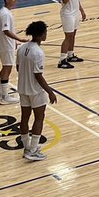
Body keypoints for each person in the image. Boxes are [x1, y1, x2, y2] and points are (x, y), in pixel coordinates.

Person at [15, 20, 57, 162]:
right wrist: (49, 91)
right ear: (40, 35)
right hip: (35, 91)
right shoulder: (38, 53)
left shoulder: (21, 48)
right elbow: (38, 75)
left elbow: (18, 68)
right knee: (39, 118)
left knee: (24, 118)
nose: (46, 34)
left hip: (22, 88)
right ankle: (32, 150)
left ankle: (27, 147)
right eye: (45, 32)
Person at [0, 0, 26, 103]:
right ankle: (5, 97)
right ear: (7, 0)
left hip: (5, 44)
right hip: (6, 45)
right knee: (8, 68)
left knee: (4, 68)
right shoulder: (5, 13)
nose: (15, 0)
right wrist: (19, 39)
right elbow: (6, 31)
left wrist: (15, 41)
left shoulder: (5, 11)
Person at [57, 0, 86, 68]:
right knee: (68, 37)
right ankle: (62, 60)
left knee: (73, 35)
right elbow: (64, 1)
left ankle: (70, 55)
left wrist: (81, 10)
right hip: (67, 14)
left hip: (75, 13)